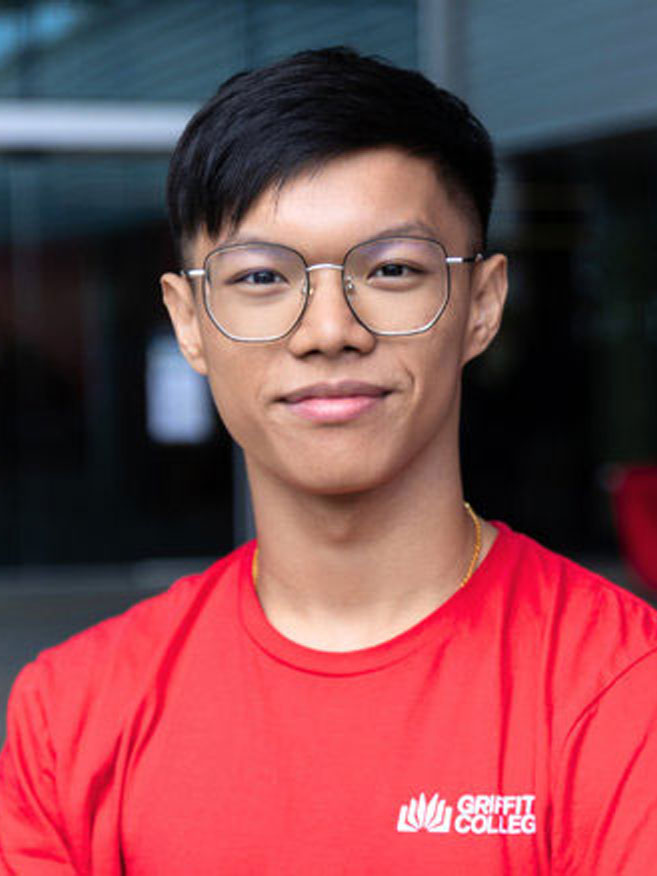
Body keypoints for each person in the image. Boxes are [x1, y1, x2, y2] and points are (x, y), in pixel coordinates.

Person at [1, 46, 656, 875]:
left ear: (482, 305)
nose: (327, 331)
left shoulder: (624, 690)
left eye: (391, 269)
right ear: (189, 321)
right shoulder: (70, 714)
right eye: (261, 278)